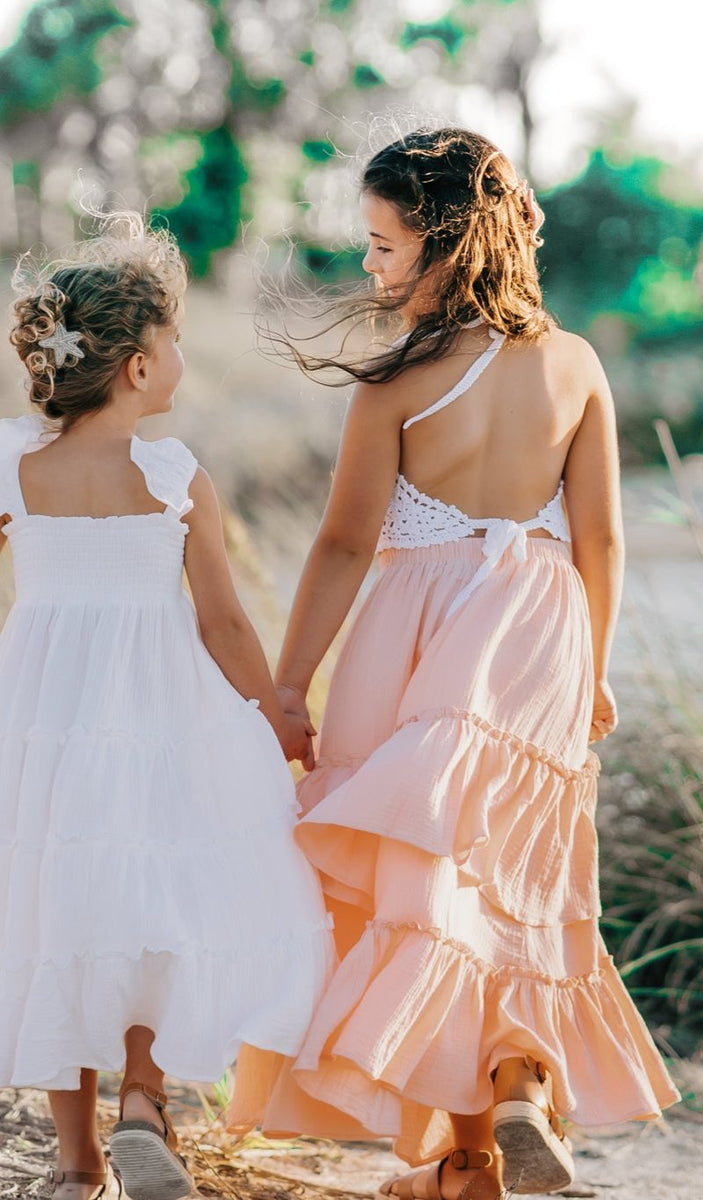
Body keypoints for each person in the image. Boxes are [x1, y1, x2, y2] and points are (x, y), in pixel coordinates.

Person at [230, 126, 680, 1199]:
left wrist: (290, 685)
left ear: (442, 244)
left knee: (424, 878)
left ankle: (476, 1135)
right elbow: (600, 540)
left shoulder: (396, 383)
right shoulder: (573, 365)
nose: (370, 267)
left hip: (416, 625)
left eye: (382, 246)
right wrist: (595, 671)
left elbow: (342, 544)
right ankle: (505, 1102)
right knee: (514, 867)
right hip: (537, 626)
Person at [0, 214, 334, 1200]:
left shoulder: (16, 466)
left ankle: (76, 1162)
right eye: (173, 339)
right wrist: (278, 711)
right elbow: (225, 624)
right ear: (139, 370)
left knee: (62, 905)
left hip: (42, 712)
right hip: (158, 713)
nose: (182, 355)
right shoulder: (175, 477)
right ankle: (145, 1097)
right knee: (153, 902)